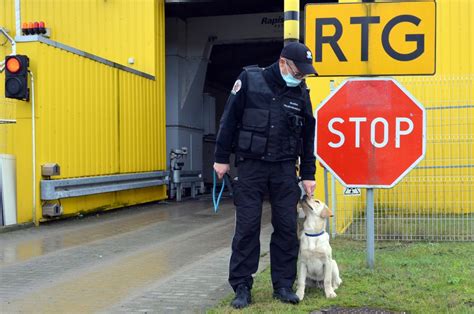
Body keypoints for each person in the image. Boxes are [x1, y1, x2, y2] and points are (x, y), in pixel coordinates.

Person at [213, 42, 317, 309]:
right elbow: (229, 119)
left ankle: (283, 284)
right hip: (251, 168)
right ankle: (242, 286)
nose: (301, 77)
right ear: (283, 63)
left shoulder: (301, 92)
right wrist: (221, 158)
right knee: (247, 228)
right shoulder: (249, 79)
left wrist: (308, 173)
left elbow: (307, 137)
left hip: (284, 170)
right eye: (298, 71)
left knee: (285, 228)